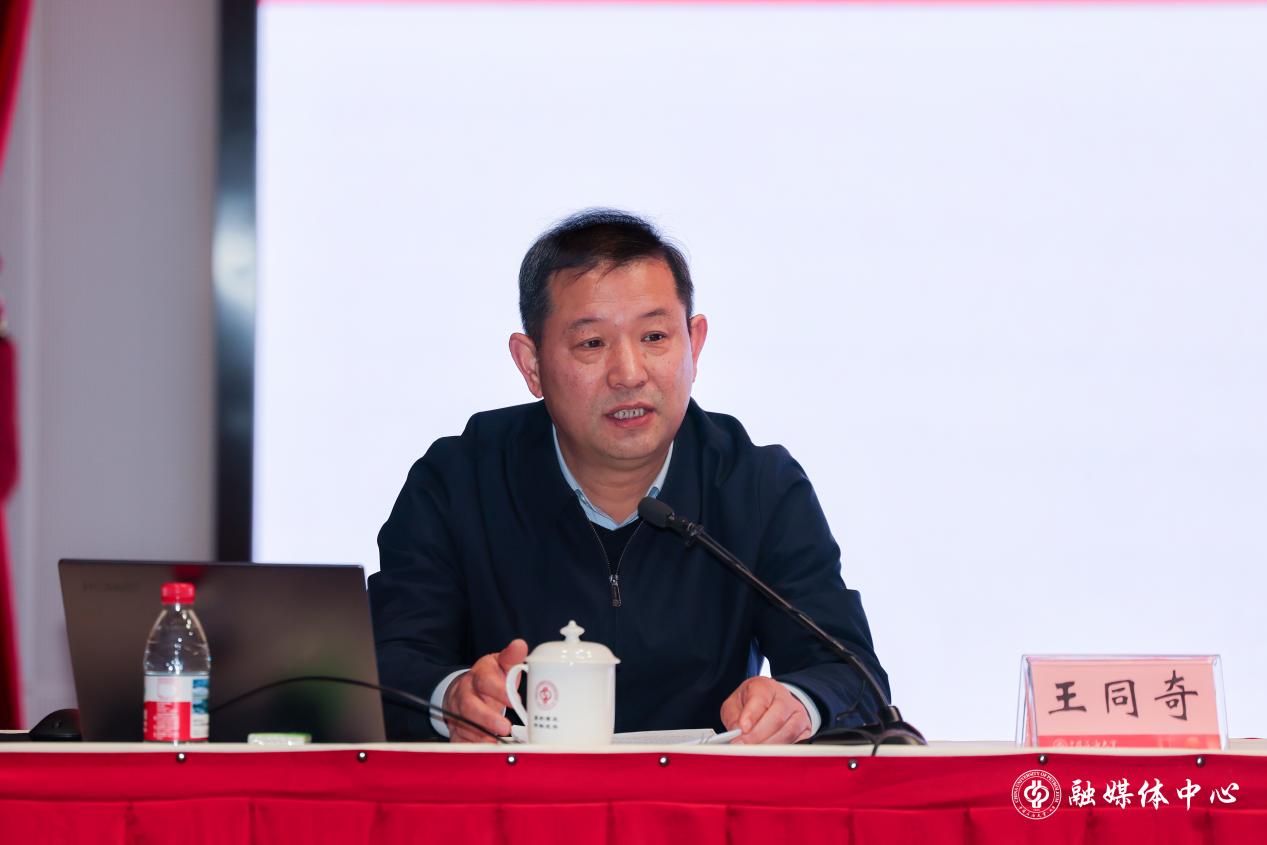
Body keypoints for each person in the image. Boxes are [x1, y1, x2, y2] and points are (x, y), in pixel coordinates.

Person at [369, 209, 890, 743]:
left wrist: (797, 703)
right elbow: (383, 664)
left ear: (695, 345)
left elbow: (851, 674)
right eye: (592, 344)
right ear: (531, 365)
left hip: (699, 795)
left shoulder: (757, 486)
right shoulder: (459, 481)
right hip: (514, 794)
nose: (629, 373)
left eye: (655, 336)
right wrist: (451, 698)